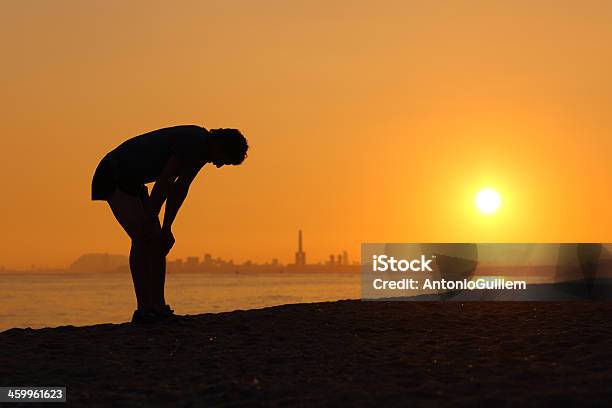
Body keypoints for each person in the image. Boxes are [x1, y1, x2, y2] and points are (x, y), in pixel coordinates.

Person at [91, 125, 248, 323]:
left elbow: (180, 189)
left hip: (133, 181)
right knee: (143, 236)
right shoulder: (195, 141)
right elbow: (165, 180)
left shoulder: (202, 153)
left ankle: (158, 306)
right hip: (113, 173)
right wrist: (152, 218)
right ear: (220, 146)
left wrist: (166, 228)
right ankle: (143, 310)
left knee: (158, 240)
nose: (219, 166)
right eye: (224, 160)